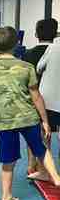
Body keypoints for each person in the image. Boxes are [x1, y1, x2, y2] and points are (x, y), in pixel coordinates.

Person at [0, 26, 60, 200]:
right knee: (41, 149)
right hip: (28, 118)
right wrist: (45, 120)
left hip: (5, 121)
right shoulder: (27, 67)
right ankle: (55, 177)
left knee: (8, 161)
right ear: (16, 44)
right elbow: (36, 96)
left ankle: (6, 197)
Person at [23, 18, 58, 173]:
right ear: (55, 33)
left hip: (35, 98)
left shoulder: (28, 54)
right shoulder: (56, 50)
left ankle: (33, 166)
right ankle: (47, 169)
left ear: (36, 34)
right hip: (54, 98)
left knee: (36, 133)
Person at [37, 25, 60, 162]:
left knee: (46, 133)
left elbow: (39, 68)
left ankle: (46, 168)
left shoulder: (53, 48)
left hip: (50, 100)